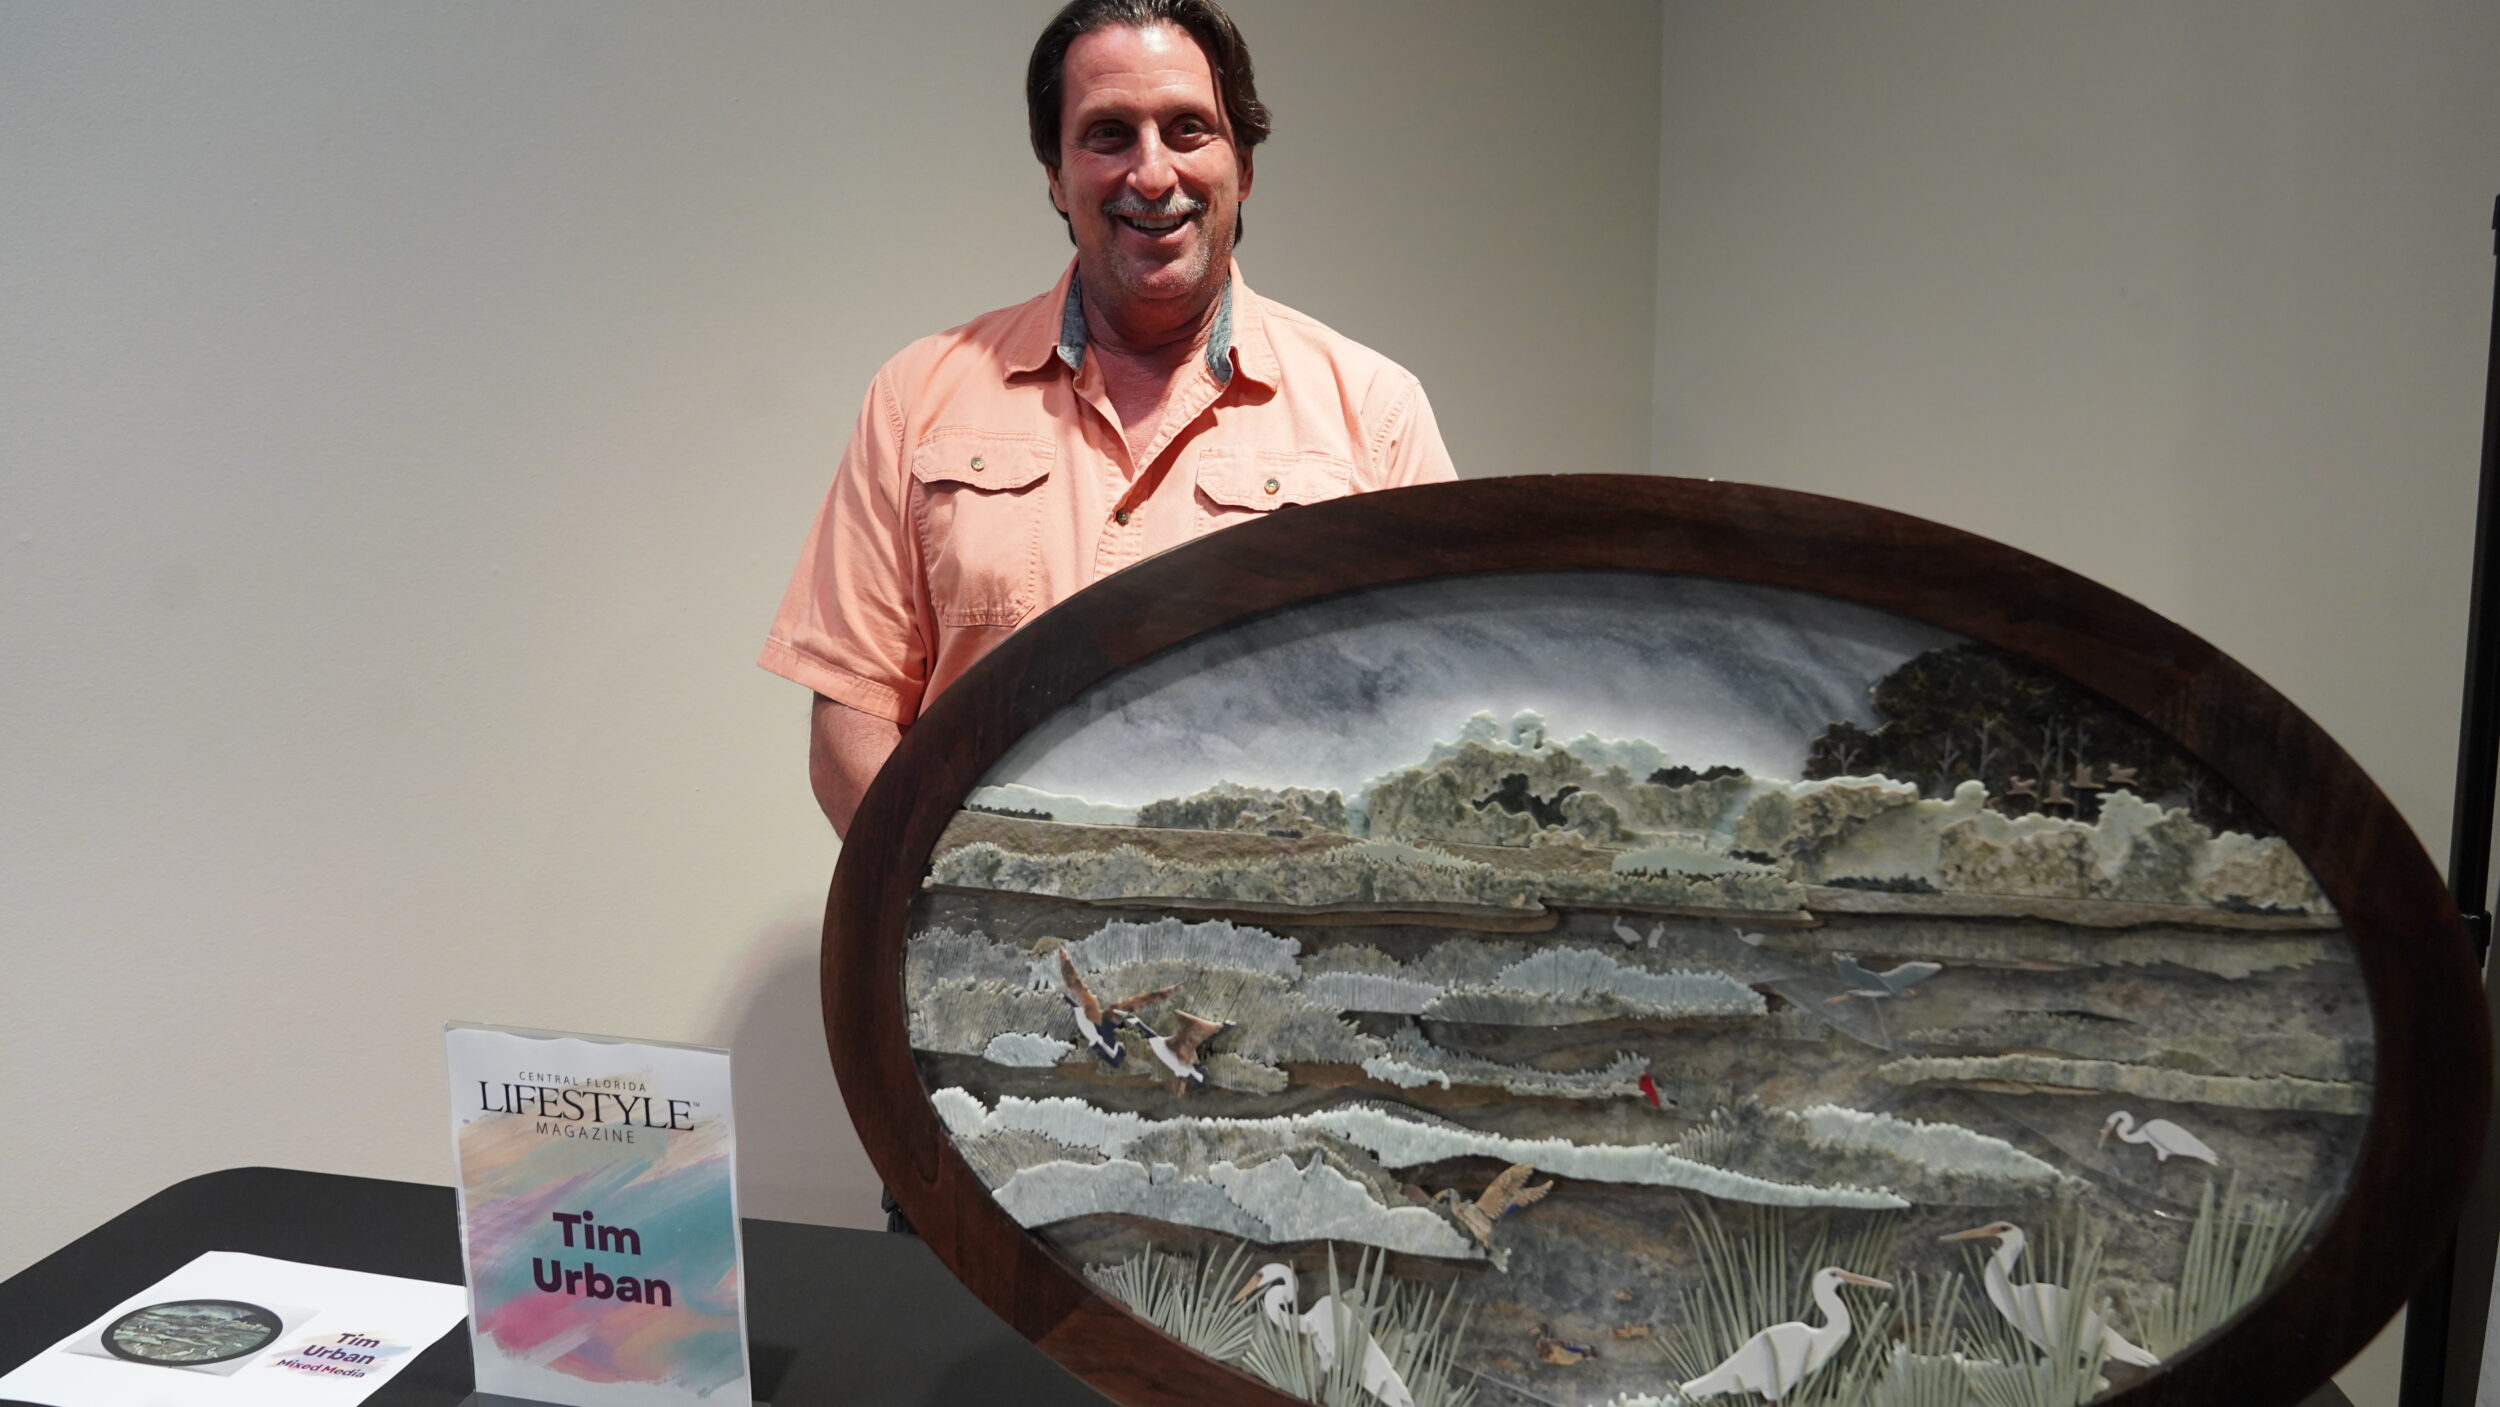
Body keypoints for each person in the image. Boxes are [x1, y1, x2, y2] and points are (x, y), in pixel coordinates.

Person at [762, 0, 1457, 839]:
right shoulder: (917, 399)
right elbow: (853, 718)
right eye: (1109, 134)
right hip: (981, 917)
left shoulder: (1375, 415)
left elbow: (1427, 722)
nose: (1153, 174)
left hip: (1270, 916)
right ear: (1056, 175)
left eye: (1189, 128)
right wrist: (977, 887)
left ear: (1243, 162)